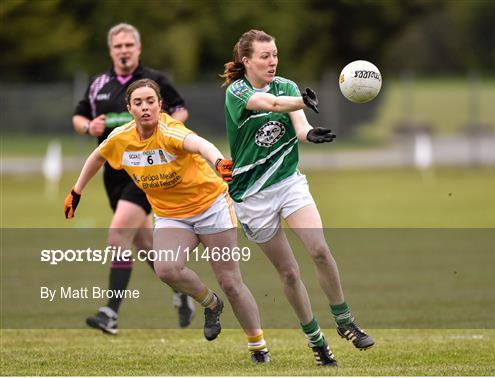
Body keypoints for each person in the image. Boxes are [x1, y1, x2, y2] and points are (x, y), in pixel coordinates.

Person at [64, 78, 271, 363]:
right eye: (138, 103)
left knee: (231, 282)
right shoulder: (121, 138)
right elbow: (97, 156)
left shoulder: (170, 130)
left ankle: (258, 346)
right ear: (129, 109)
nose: (145, 107)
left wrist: (219, 162)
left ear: (160, 105)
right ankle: (211, 304)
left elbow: (199, 144)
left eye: (151, 101)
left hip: (211, 207)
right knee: (166, 269)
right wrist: (76, 191)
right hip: (172, 215)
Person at [221, 29, 375, 367]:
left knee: (319, 250)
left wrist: (309, 134)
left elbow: (299, 125)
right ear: (246, 61)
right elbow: (270, 104)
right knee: (289, 274)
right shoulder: (238, 91)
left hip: (288, 182)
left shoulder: (287, 86)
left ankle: (345, 320)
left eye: (275, 54)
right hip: (252, 196)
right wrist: (305, 100)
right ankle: (316, 341)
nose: (272, 61)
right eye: (265, 56)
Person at [72, 23, 195, 333]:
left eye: (129, 45)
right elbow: (79, 117)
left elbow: (181, 111)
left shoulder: (155, 81)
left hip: (144, 170)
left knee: (117, 235)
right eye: (118, 46)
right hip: (112, 174)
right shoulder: (97, 83)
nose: (124, 50)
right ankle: (182, 290)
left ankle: (110, 313)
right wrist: (89, 127)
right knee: (143, 244)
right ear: (111, 50)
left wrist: (161, 127)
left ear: (138, 48)